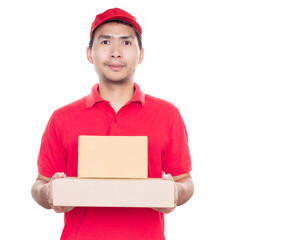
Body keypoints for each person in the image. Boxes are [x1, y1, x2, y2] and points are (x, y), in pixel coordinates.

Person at [31, 7, 194, 240]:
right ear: (90, 53)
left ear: (141, 55)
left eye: (126, 43)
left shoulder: (168, 115)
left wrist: (175, 192)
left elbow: (185, 181)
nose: (116, 53)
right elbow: (39, 184)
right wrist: (48, 192)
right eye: (105, 42)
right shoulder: (62, 118)